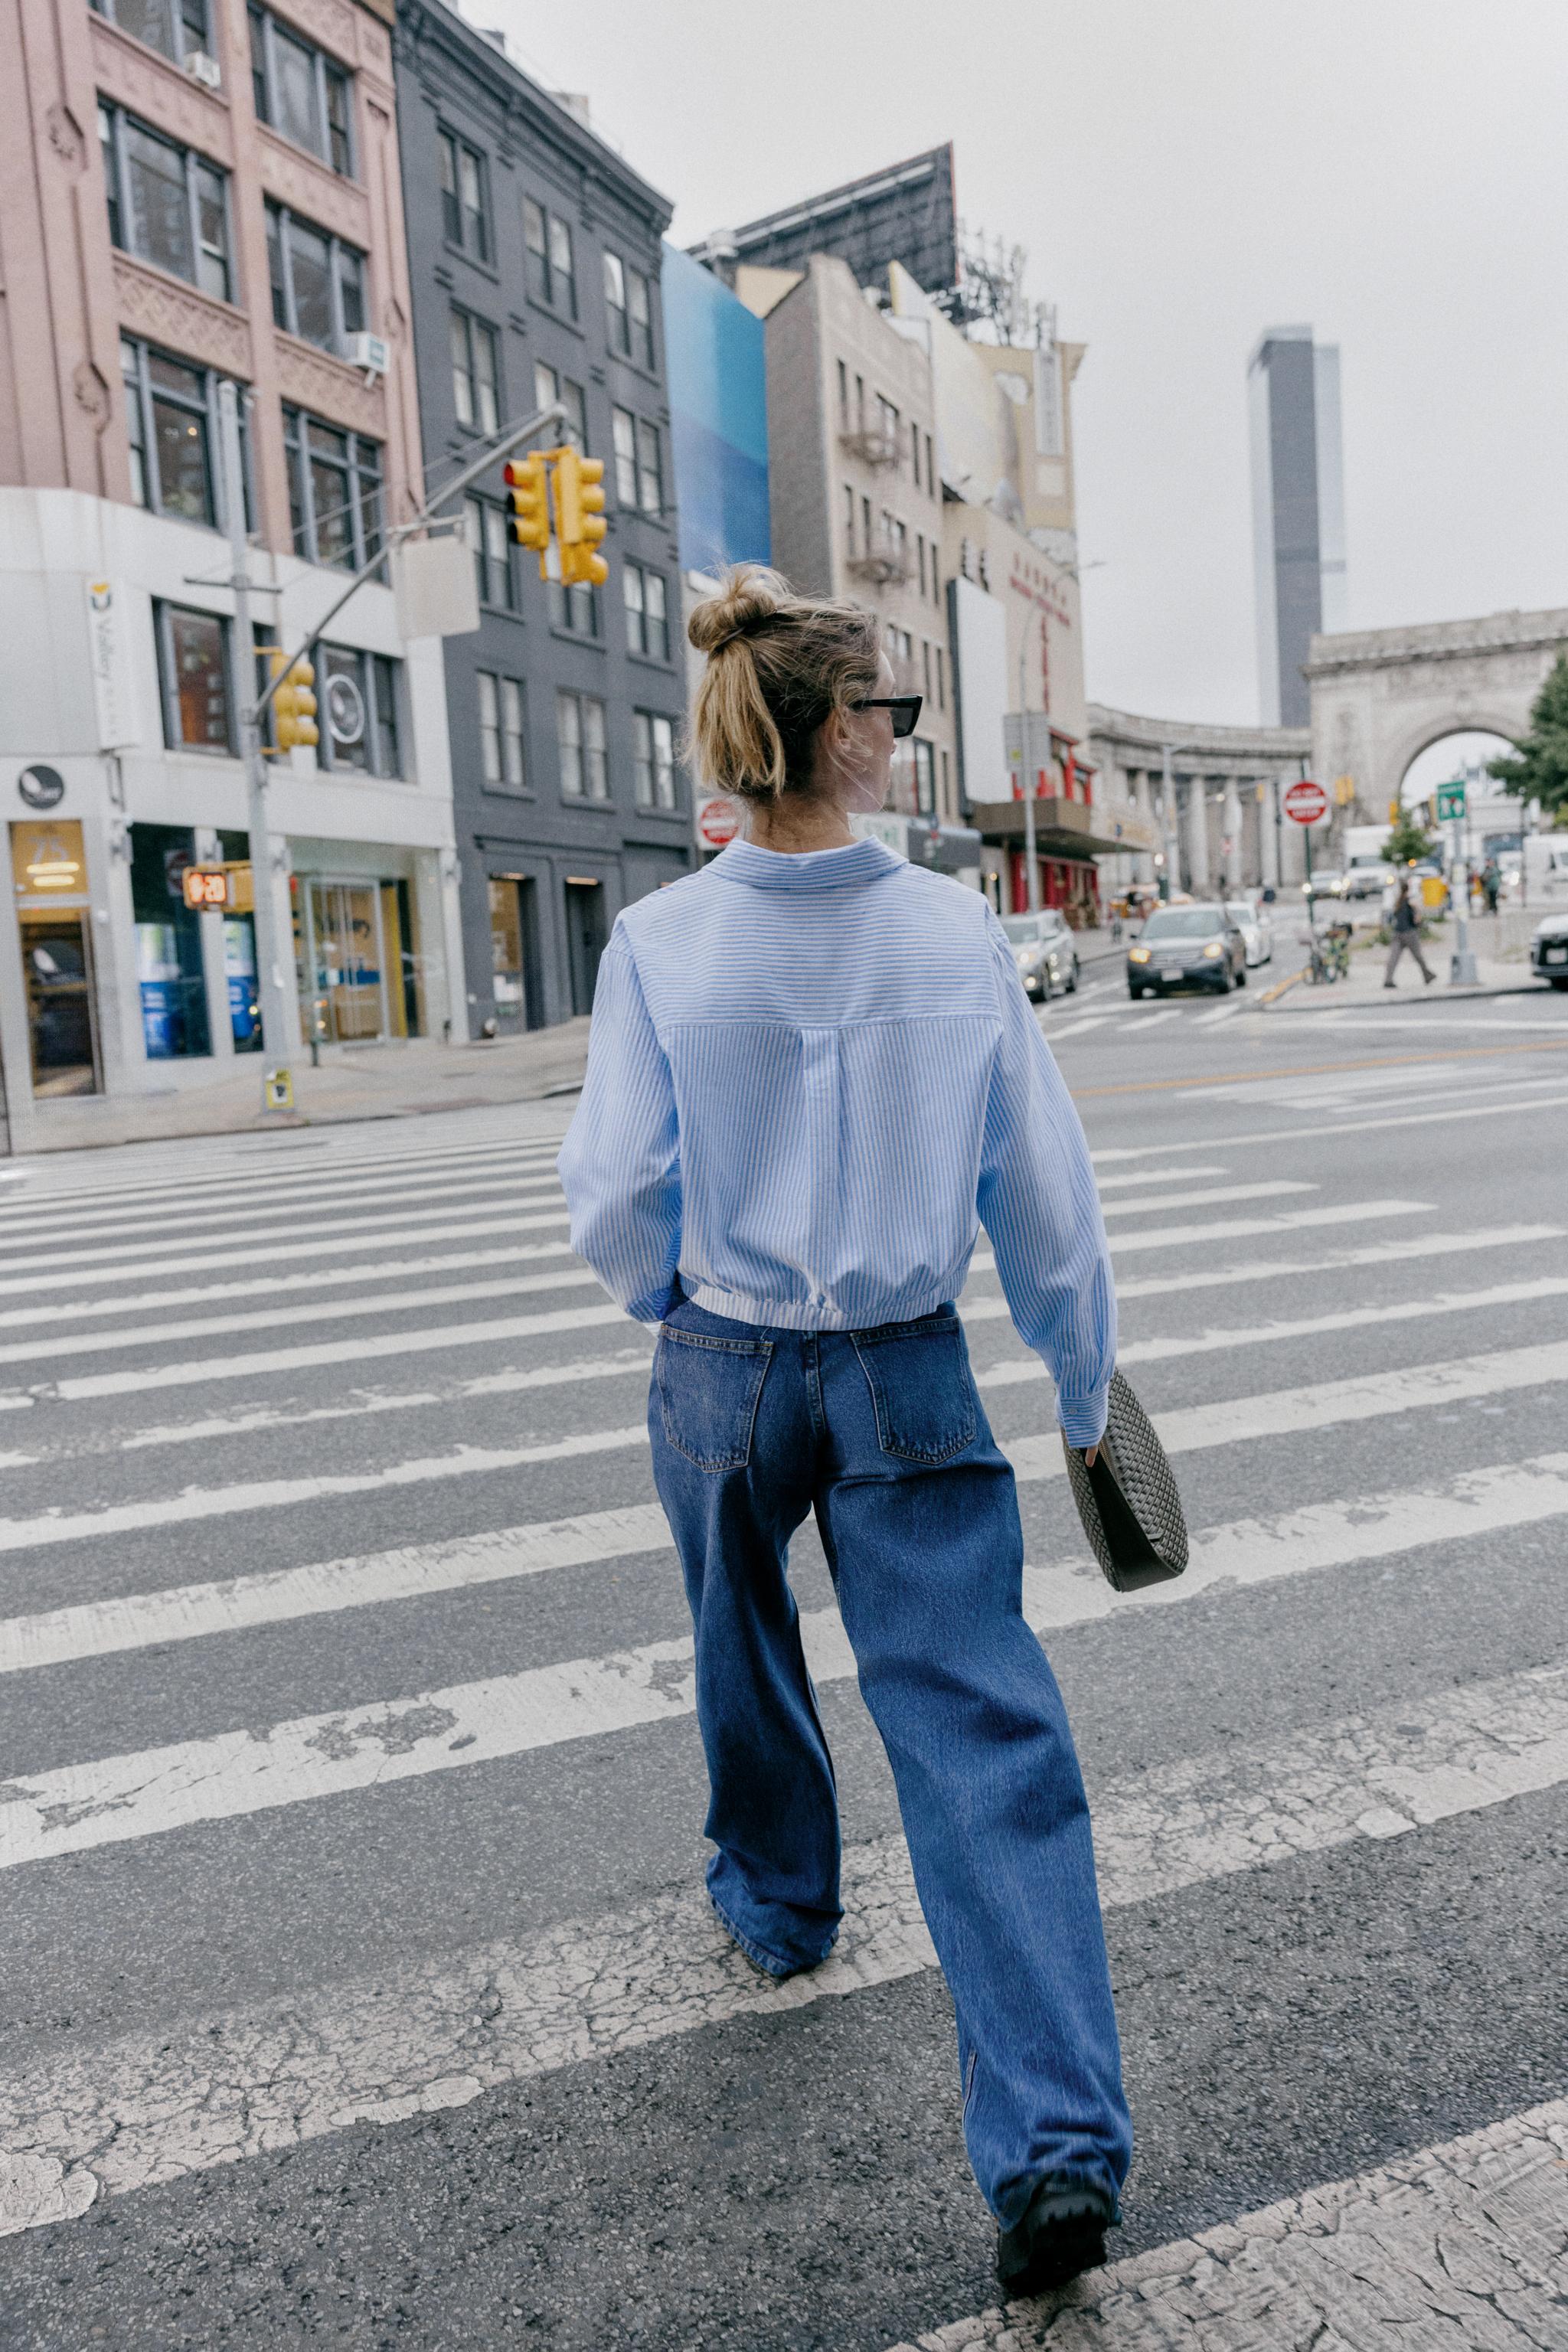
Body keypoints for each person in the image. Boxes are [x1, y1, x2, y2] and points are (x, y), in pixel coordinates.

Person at [558, 566, 1131, 2298]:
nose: (903, 736)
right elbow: (1040, 1191)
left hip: (722, 1357)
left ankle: (778, 1902)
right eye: (890, 710)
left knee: (740, 1648)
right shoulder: (951, 931)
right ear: (839, 731)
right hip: (900, 1362)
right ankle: (1049, 2147)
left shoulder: (662, 937)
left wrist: (672, 1294)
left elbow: (614, 1187)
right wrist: (1079, 1379)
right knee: (982, 1735)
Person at [1385, 876, 1436, 986]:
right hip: (1409, 933)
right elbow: (1416, 920)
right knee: (1418, 956)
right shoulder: (1410, 902)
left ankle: (1388, 980)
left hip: (1397, 933)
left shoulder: (1397, 902)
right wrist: (1418, 912)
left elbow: (1391, 918)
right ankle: (1427, 975)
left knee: (1393, 958)